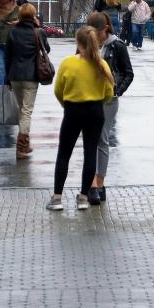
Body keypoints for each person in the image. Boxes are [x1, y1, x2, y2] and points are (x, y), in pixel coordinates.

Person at [46, 26, 114, 211]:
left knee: (64, 153)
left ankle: (57, 197)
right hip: (95, 111)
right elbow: (109, 92)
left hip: (73, 111)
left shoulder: (68, 63)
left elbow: (58, 90)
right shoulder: (102, 64)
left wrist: (66, 104)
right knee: (90, 153)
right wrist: (99, 102)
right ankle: (83, 197)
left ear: (78, 42)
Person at [85, 12, 134, 204]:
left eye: (94, 31)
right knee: (90, 140)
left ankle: (99, 184)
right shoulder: (86, 44)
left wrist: (117, 91)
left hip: (108, 100)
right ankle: (91, 184)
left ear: (105, 28)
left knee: (102, 139)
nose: (92, 35)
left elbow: (128, 73)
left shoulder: (118, 46)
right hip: (88, 98)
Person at [5, 3, 51, 159]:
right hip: (31, 76)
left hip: (15, 76)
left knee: (21, 110)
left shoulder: (12, 32)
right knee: (26, 111)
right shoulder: (38, 31)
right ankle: (21, 148)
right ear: (33, 16)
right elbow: (47, 49)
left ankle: (26, 143)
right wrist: (39, 27)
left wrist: (7, 78)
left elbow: (8, 56)